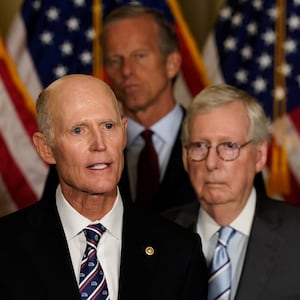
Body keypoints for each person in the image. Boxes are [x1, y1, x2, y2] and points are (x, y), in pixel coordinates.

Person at [0, 74, 208, 300]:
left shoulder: (179, 251)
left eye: (108, 126)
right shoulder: (5, 248)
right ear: (45, 148)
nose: (100, 145)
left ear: (124, 132)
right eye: (78, 130)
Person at [42, 4, 265, 212]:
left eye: (139, 56)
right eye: (115, 60)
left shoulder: (225, 145)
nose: (127, 70)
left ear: (172, 64)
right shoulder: (77, 149)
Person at [165, 84, 300, 299]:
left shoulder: (296, 236)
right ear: (184, 156)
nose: (211, 163)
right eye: (200, 145)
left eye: (228, 146)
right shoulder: (156, 236)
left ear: (260, 155)